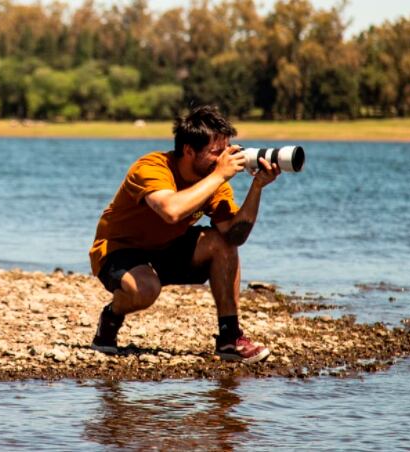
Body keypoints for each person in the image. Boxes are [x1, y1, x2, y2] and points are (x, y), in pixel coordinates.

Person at [88, 105, 281, 364]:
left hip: (166, 247)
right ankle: (111, 316)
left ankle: (230, 337)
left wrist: (257, 187)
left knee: (220, 243)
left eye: (227, 150)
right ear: (189, 151)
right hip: (118, 249)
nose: (224, 159)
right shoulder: (151, 167)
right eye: (216, 152)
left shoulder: (214, 181)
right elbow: (171, 211)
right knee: (145, 290)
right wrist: (219, 175)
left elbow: (235, 236)